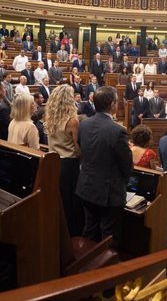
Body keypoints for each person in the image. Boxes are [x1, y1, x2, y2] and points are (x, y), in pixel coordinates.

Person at [76, 86, 132, 249]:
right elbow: (126, 165)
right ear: (113, 104)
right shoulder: (117, 130)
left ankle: (87, 268)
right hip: (109, 192)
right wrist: (123, 182)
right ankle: (108, 272)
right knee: (109, 237)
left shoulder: (84, 123)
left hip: (86, 186)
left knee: (89, 231)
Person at [44, 84, 83, 237]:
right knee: (70, 201)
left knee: (59, 199)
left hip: (53, 161)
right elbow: (77, 148)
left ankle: (57, 231)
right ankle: (71, 235)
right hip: (69, 164)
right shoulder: (72, 120)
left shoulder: (49, 117)